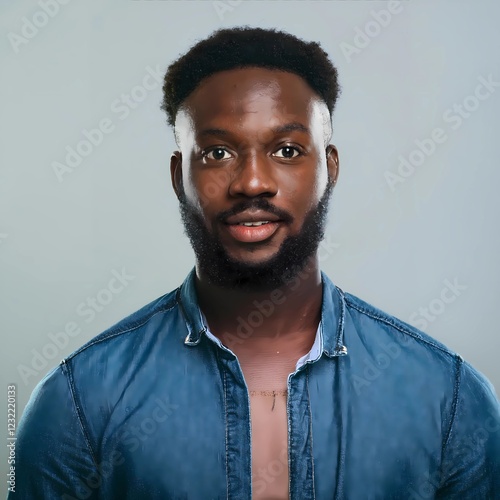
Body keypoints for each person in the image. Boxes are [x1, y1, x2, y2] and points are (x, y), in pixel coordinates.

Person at [11, 27, 500, 500]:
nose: (251, 183)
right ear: (180, 175)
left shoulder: (449, 398)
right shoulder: (78, 400)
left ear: (329, 167)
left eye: (286, 150)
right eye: (218, 151)